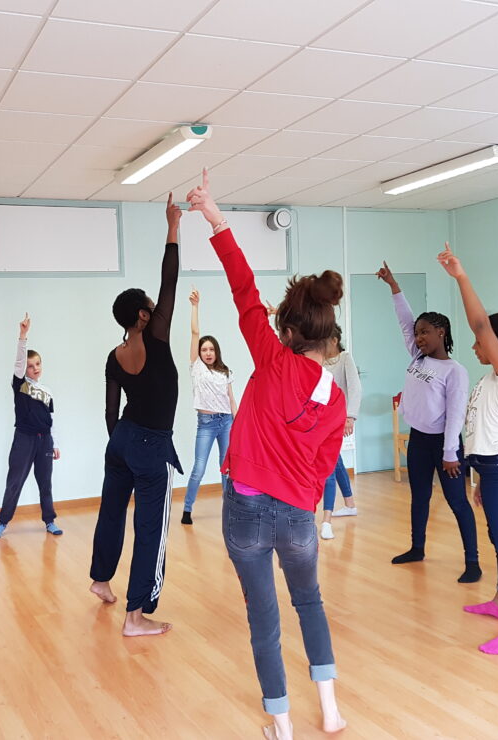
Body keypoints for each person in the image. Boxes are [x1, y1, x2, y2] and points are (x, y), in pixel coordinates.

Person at [187, 170, 346, 740]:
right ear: (327, 336)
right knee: (310, 603)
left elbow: (242, 287)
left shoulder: (269, 357)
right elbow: (327, 463)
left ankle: (282, 724)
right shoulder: (334, 395)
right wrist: (302, 493)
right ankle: (330, 711)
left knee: (265, 619)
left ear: (284, 326)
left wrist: (215, 215)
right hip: (299, 516)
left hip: (247, 512)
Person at [89, 193, 182, 637]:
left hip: (121, 439)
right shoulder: (157, 338)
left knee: (111, 512)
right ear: (144, 315)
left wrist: (120, 445)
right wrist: (172, 228)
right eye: (151, 305)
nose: (157, 306)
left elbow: (111, 410)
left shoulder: (115, 353)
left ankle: (101, 581)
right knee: (151, 529)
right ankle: (135, 616)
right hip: (148, 445)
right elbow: (171, 280)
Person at [438, 243, 498, 654]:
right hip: (490, 470)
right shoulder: (489, 380)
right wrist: (477, 479)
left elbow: (479, 326)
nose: (475, 345)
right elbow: (481, 431)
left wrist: (461, 277)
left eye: (485, 340)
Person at [377, 261, 480, 583]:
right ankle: (417, 548)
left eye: (425, 332)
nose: (418, 337)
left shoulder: (455, 372)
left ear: (441, 333)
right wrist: (394, 286)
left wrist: (451, 453)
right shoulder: (417, 356)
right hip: (419, 439)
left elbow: (455, 417)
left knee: (456, 502)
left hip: (444, 445)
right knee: (418, 496)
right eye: (417, 333)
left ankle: (473, 562)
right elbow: (404, 321)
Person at [0, 313, 62, 540]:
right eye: (30, 366)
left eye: (38, 364)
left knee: (45, 482)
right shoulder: (20, 385)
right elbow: (20, 362)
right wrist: (23, 336)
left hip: (45, 440)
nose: (34, 368)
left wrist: (56, 443)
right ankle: (3, 522)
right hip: (24, 438)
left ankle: (50, 521)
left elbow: (51, 420)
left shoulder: (47, 391)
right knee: (15, 481)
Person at [181, 287, 237, 525]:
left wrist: (240, 421)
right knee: (199, 468)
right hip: (205, 423)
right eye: (204, 350)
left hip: (226, 421)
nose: (207, 352)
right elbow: (195, 333)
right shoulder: (197, 367)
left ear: (216, 352)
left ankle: (230, 510)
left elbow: (232, 399)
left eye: (211, 349)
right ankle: (186, 509)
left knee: (227, 468)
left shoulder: (225, 372)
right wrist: (195, 306)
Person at [320, 324, 361, 540]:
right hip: (321, 420)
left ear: (334, 340)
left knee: (329, 464)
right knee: (335, 462)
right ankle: (350, 504)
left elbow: (355, 388)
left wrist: (350, 417)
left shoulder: (345, 358)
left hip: (338, 419)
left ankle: (326, 521)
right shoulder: (320, 360)